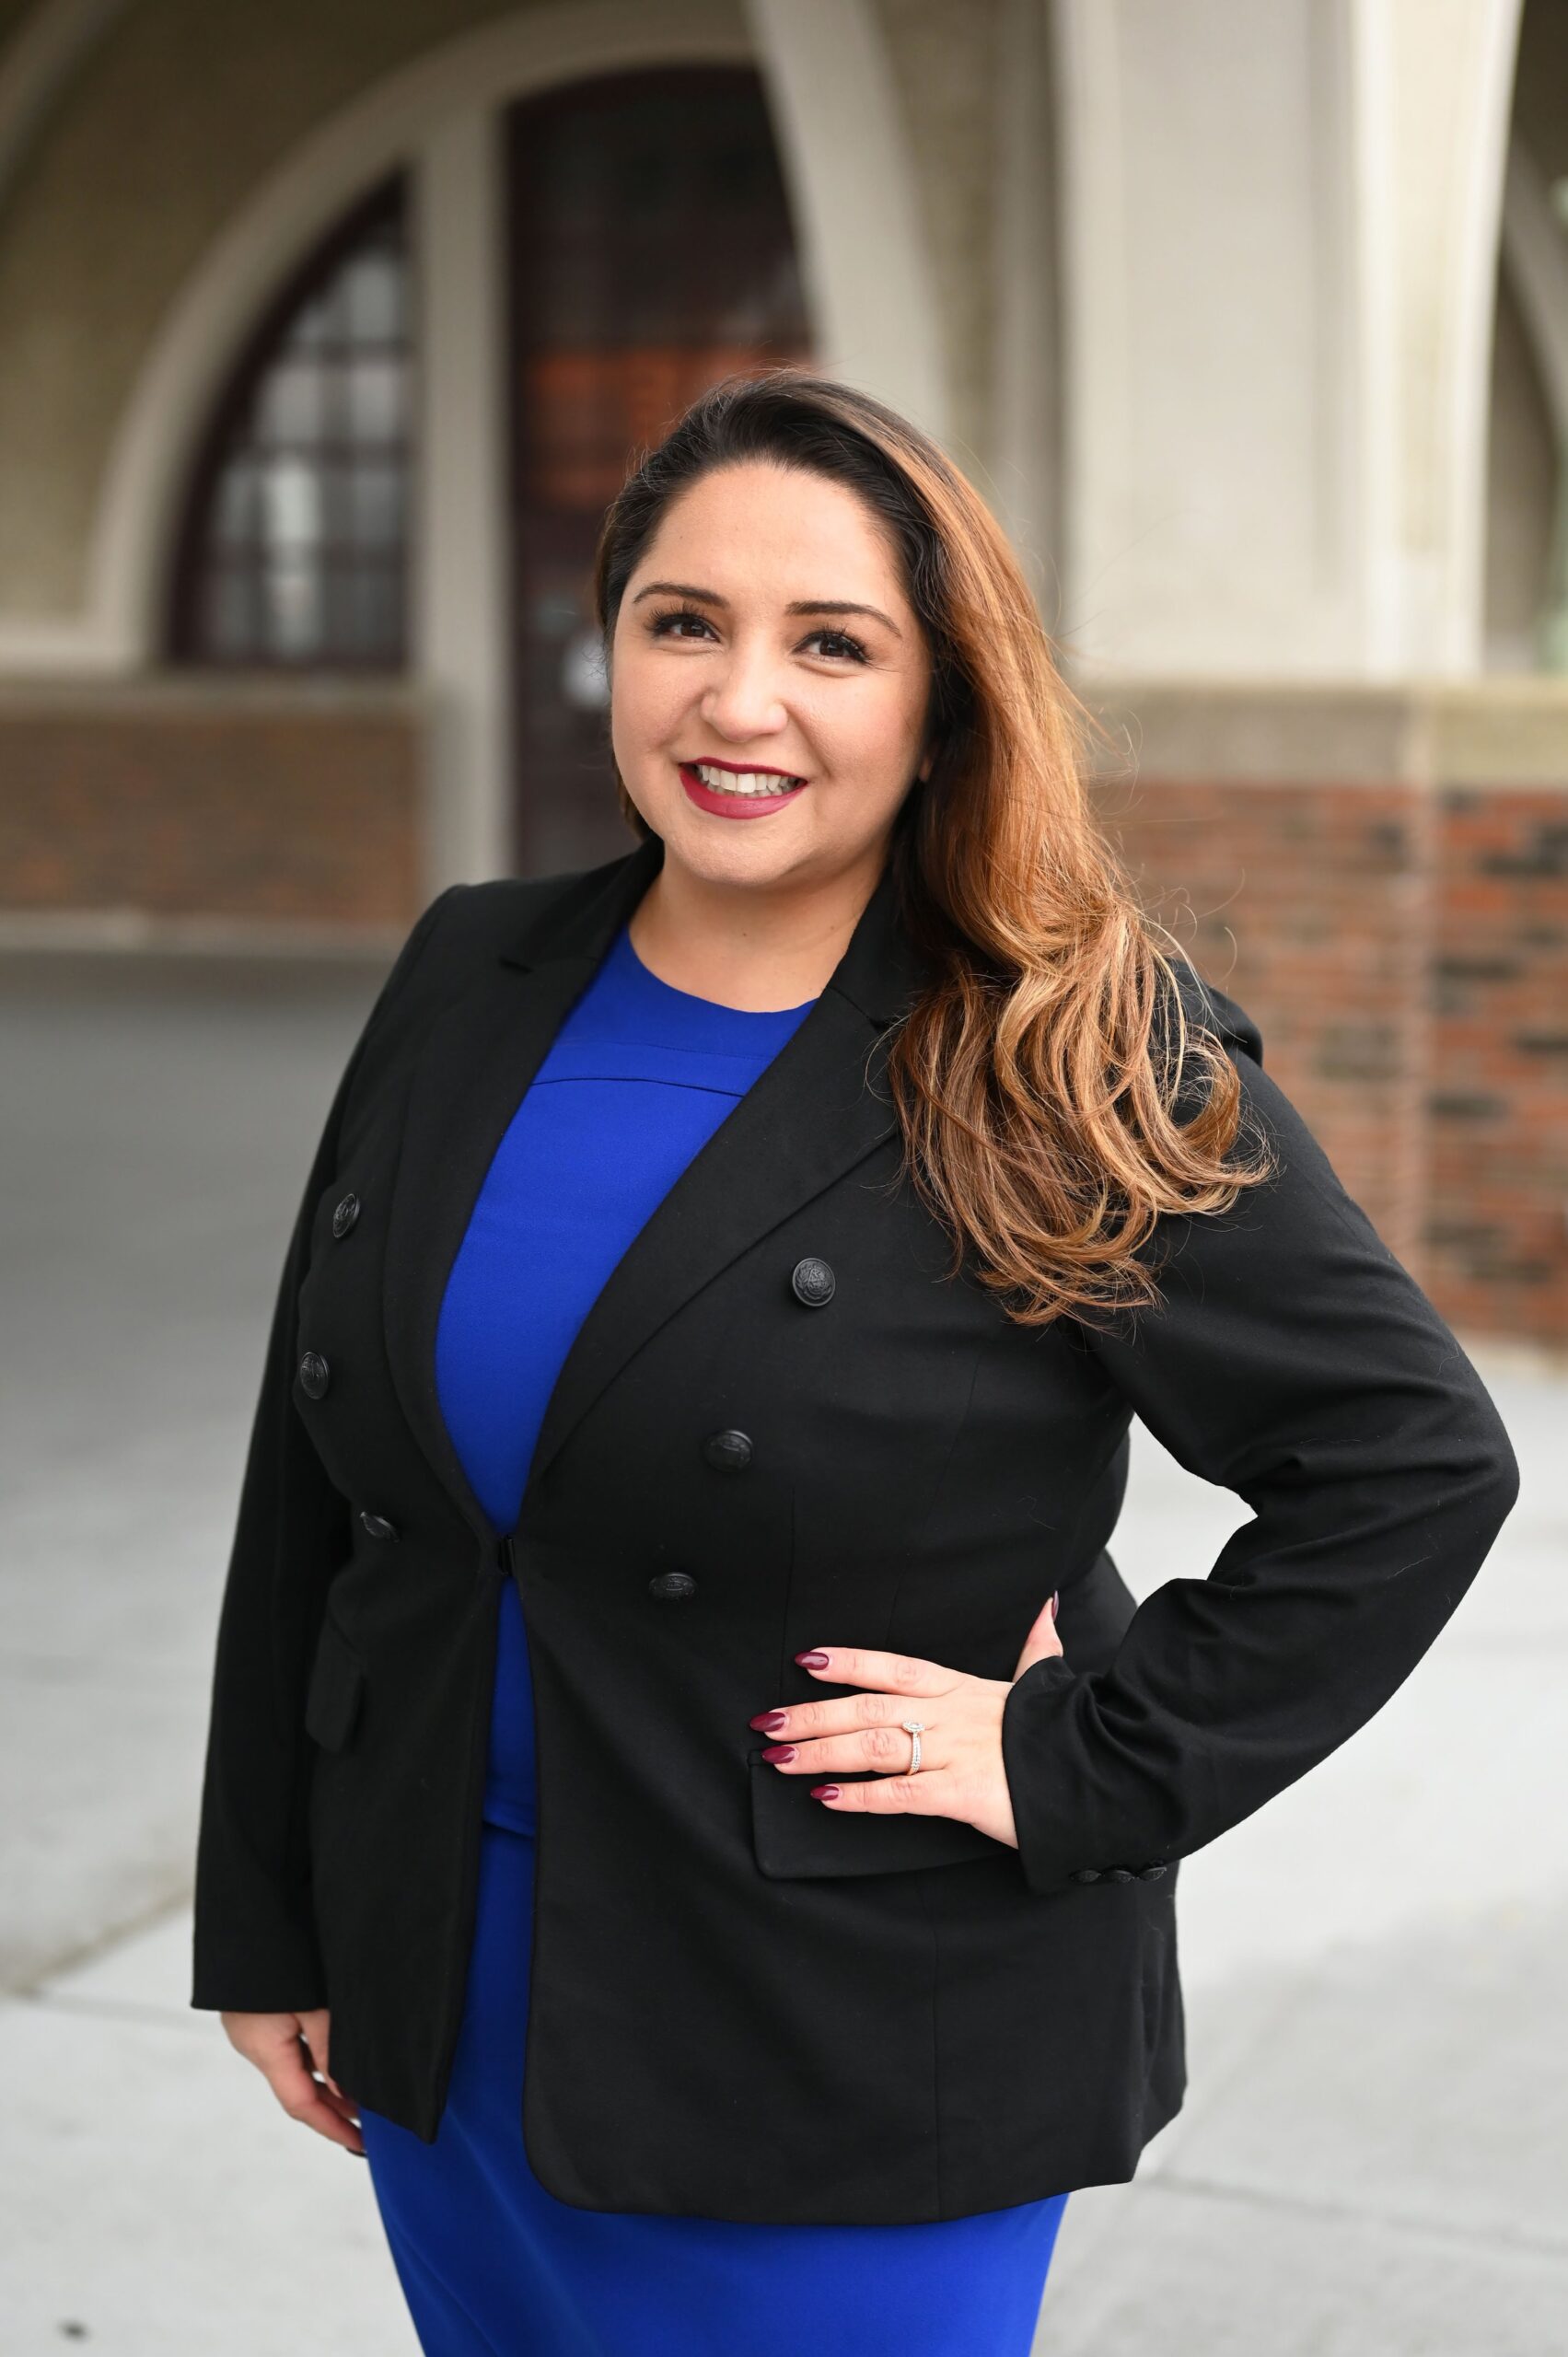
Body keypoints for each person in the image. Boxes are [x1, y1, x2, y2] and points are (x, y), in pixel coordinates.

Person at [191, 368, 1519, 2357]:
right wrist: (274, 1911)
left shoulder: (1063, 1040)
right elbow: (325, 1490)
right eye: (683, 623)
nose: (740, 703)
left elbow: (1413, 1460)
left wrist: (1083, 1753)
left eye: (832, 642)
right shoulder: (475, 968)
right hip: (445, 2009)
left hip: (847, 2037)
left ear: (941, 697)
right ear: (612, 645)